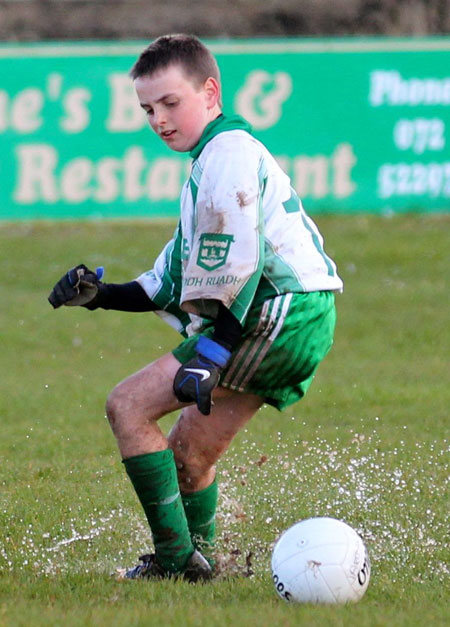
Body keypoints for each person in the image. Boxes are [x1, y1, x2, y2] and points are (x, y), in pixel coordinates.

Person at [48, 34, 343, 582]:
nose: (158, 119)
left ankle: (175, 561)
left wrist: (214, 349)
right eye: (147, 109)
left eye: (170, 103)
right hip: (296, 316)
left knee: (128, 406)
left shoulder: (227, 154)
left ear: (210, 92)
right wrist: (101, 295)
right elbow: (167, 282)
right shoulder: (214, 160)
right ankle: (202, 567)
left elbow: (245, 265)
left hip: (277, 314)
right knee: (188, 457)